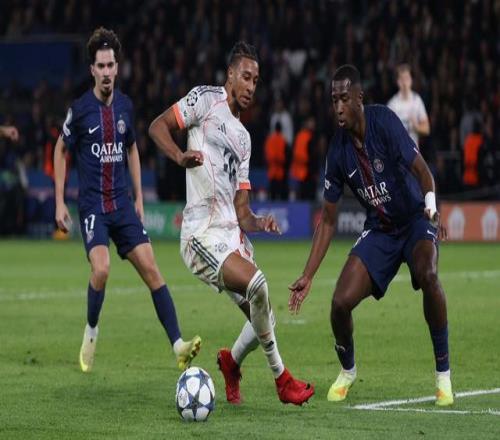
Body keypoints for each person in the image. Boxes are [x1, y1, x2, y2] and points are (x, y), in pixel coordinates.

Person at [149, 41, 314, 406]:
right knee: (258, 284)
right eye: (246, 77)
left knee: (264, 316)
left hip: (231, 233)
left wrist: (259, 221)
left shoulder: (244, 138)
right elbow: (157, 126)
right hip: (201, 234)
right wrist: (178, 155)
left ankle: (231, 362)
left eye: (256, 80)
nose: (251, 86)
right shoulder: (205, 100)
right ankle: (282, 380)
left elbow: (242, 210)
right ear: (230, 74)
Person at [289, 65, 453, 406]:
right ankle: (348, 371)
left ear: (359, 98)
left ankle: (443, 377)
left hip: (414, 219)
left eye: (343, 99)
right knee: (339, 303)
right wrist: (308, 274)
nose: (337, 108)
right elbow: (328, 221)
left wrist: (431, 207)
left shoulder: (385, 122)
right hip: (380, 230)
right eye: (333, 100)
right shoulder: (337, 151)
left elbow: (423, 171)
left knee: (429, 274)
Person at [53, 27, 201, 373]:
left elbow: (132, 148)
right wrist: (59, 201)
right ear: (92, 70)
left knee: (152, 270)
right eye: (100, 66)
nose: (106, 72)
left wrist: (139, 198)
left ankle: (178, 345)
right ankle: (91, 331)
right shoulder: (80, 110)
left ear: (117, 68)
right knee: (101, 269)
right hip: (93, 206)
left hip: (121, 204)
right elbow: (60, 149)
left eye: (111, 65)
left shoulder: (125, 107)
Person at [387, 64, 430, 146]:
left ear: (411, 80)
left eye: (407, 78)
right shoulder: (392, 104)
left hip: (413, 151)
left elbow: (427, 129)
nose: (404, 82)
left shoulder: (417, 100)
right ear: (398, 82)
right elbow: (386, 131)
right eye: (402, 79)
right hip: (397, 150)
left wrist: (416, 127)